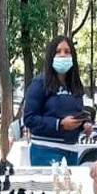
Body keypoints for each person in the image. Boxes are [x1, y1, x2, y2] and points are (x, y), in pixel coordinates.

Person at [24, 35, 90, 166]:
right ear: (51, 56)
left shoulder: (75, 86)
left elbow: (77, 112)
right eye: (58, 51)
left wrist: (84, 124)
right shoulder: (39, 84)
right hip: (45, 151)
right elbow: (29, 119)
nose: (63, 55)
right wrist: (59, 124)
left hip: (72, 151)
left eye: (67, 51)